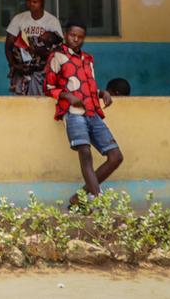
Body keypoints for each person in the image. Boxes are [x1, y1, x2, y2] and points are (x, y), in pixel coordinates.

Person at [45, 20, 122, 206]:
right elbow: (49, 87)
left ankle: (78, 197)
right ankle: (98, 201)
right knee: (85, 152)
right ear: (65, 34)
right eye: (73, 36)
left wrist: (102, 93)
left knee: (116, 157)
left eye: (80, 37)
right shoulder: (57, 56)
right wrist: (68, 97)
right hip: (73, 113)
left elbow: (87, 86)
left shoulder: (88, 59)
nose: (76, 40)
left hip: (92, 112)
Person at [5, 0, 63, 95]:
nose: (31, 4)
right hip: (21, 69)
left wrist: (37, 51)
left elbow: (58, 51)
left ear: (42, 2)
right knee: (20, 104)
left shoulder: (52, 21)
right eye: (28, 1)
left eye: (35, 2)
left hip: (42, 72)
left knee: (39, 100)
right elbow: (8, 46)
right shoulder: (19, 19)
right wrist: (14, 65)